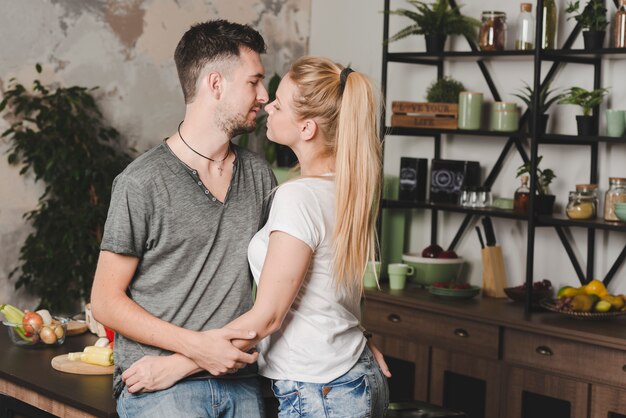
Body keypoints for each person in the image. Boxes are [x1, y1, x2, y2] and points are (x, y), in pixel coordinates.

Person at [121, 56, 391, 417]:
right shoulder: (344, 190)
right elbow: (330, 293)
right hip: (352, 375)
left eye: (279, 103)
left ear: (307, 128)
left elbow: (267, 318)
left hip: (321, 389)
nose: (267, 104)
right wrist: (361, 341)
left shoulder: (297, 197)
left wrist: (178, 364)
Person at [90, 19, 277, 417]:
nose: (264, 95)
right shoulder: (141, 182)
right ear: (215, 84)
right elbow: (105, 302)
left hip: (241, 381)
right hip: (158, 384)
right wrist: (195, 348)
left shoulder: (260, 176)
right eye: (254, 81)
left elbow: (284, 285)